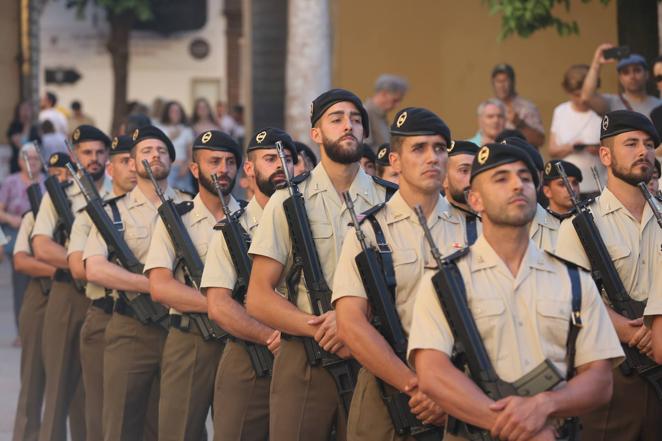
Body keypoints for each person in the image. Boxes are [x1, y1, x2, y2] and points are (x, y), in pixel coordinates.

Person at [409, 142, 624, 441]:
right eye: (501, 179)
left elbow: (600, 379)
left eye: (524, 178)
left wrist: (545, 405)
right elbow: (432, 373)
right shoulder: (445, 281)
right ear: (475, 200)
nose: (517, 185)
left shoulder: (573, 279)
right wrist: (517, 425)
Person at [245, 88, 397, 441]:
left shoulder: (390, 200)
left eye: (356, 120)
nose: (349, 126)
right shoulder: (287, 200)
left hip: (374, 355)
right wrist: (319, 327)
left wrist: (352, 324)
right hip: (305, 355)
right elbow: (258, 296)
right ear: (316, 134)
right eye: (337, 119)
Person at [333, 107, 460, 441]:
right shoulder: (369, 231)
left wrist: (448, 392)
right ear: (396, 160)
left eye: (440, 149)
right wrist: (415, 385)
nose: (432, 158)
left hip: (462, 392)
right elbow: (350, 322)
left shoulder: (475, 229)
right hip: (386, 389)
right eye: (419, 149)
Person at [556, 110, 662, 440]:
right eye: (630, 143)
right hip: (616, 369)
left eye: (648, 144)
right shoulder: (579, 225)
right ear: (605, 155)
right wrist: (631, 332)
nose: (642, 151)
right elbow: (574, 296)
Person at [84, 125, 190, 440]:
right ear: (131, 163)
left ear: (172, 159)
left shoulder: (191, 206)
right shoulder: (113, 212)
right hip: (133, 330)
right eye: (145, 151)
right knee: (121, 423)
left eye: (161, 151)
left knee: (177, 425)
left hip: (183, 329)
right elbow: (95, 269)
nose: (154, 156)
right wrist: (154, 285)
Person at [143, 129, 242, 440]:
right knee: (179, 431)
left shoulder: (253, 217)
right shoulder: (176, 219)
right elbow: (160, 287)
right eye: (214, 161)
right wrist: (224, 307)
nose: (223, 170)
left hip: (242, 342)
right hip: (191, 340)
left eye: (230, 162)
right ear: (195, 169)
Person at [201, 127, 297, 441]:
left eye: (288, 158)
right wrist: (269, 336)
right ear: (250, 169)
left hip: (304, 357)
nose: (281, 165)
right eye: (270, 158)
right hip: (250, 358)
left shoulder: (309, 222)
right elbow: (218, 304)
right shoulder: (233, 227)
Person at [32, 126, 113, 441]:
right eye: (87, 153)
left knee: (94, 393)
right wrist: (82, 261)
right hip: (68, 295)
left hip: (106, 299)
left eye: (99, 153)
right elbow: (40, 245)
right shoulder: (60, 194)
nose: (93, 159)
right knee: (58, 389)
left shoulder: (117, 192)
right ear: (75, 157)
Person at [67, 135, 137, 441]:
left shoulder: (169, 211)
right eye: (125, 161)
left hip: (153, 322)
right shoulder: (93, 214)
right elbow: (81, 268)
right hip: (106, 315)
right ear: (112, 168)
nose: (133, 168)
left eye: (136, 160)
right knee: (102, 414)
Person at [11, 158, 64, 441]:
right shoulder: (34, 215)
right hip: (42, 297)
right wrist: (64, 272)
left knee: (66, 384)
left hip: (72, 302)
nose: (61, 180)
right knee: (32, 379)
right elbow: (21, 261)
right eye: (55, 175)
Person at [0, 143, 45, 341]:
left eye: (36, 158)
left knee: (40, 287)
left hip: (42, 241)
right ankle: (22, 333)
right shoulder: (11, 182)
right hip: (17, 238)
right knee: (21, 287)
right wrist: (13, 219)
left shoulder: (47, 181)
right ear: (19, 161)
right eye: (28, 158)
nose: (33, 162)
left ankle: (39, 330)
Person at [549, 64, 606, 196]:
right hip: (570, 189)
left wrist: (598, 150)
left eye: (584, 94)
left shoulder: (602, 111)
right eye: (576, 95)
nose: (581, 99)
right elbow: (552, 150)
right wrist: (572, 147)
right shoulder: (560, 111)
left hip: (600, 185)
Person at [581, 44, 662, 118]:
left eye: (637, 70)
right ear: (620, 78)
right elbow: (587, 97)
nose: (632, 76)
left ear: (647, 74)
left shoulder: (659, 105)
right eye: (626, 72)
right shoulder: (611, 103)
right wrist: (596, 64)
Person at [490, 63, 545, 147]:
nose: (502, 85)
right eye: (498, 81)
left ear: (513, 82)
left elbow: (539, 140)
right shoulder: (489, 107)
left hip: (522, 155)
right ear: (493, 83)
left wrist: (519, 123)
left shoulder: (527, 107)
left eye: (505, 81)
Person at [444, 140, 481, 245]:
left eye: (476, 171)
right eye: (464, 171)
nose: (472, 179)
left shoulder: (496, 221)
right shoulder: (431, 222)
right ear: (444, 178)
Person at [158, 100, 195, 193]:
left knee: (186, 195)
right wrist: (171, 137)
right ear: (167, 113)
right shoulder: (160, 128)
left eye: (178, 111)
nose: (175, 114)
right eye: (172, 111)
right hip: (166, 168)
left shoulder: (187, 130)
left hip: (182, 168)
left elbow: (190, 153)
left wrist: (186, 166)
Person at [364, 74, 409, 148]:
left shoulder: (380, 115)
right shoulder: (366, 113)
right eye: (395, 100)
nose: (397, 105)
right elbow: (365, 148)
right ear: (383, 94)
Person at [6, 101, 39, 174]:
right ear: (18, 111)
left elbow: (38, 145)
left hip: (32, 165)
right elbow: (22, 145)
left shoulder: (34, 128)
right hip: (18, 165)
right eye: (24, 109)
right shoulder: (14, 126)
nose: (26, 112)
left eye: (28, 109)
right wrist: (26, 125)